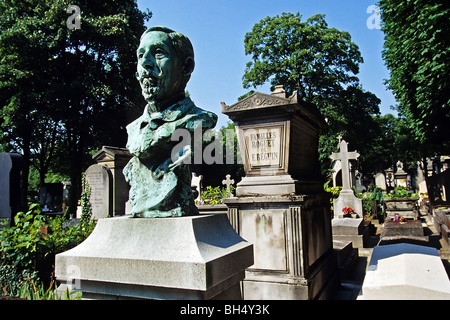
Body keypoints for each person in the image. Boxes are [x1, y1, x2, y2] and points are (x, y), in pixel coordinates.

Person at [123, 26, 217, 218]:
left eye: (158, 53)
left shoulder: (197, 119)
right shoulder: (134, 129)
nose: (146, 64)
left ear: (186, 66)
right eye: (141, 56)